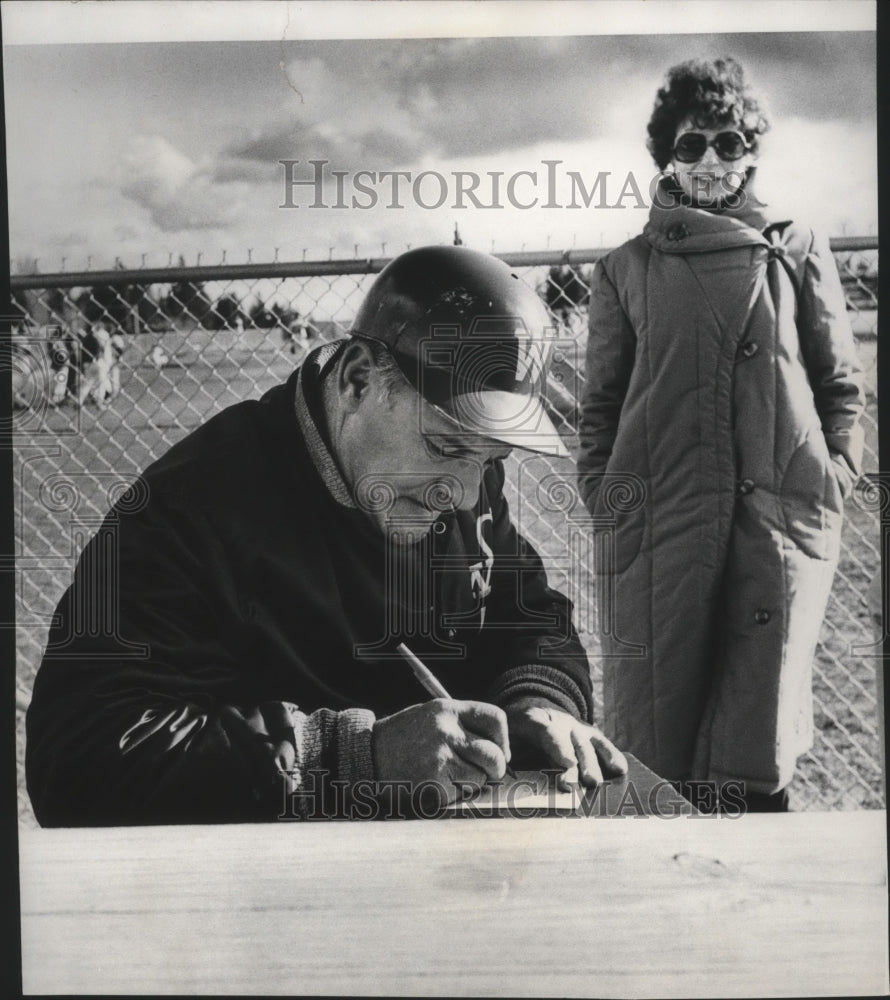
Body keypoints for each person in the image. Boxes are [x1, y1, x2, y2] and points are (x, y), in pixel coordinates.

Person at [27, 245, 626, 826]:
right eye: (445, 446)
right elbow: (79, 759)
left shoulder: (463, 481)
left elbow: (528, 613)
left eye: (492, 457)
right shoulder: (189, 510)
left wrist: (539, 698)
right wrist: (349, 759)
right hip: (264, 897)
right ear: (358, 380)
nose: (468, 492)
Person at [577, 58, 864, 812]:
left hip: (775, 523)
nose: (711, 159)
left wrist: (831, 475)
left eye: (729, 142)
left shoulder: (796, 249)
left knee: (754, 740)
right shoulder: (624, 270)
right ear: (666, 157)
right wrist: (609, 498)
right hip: (659, 527)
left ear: (753, 152)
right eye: (692, 143)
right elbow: (599, 408)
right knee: (658, 749)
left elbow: (840, 385)